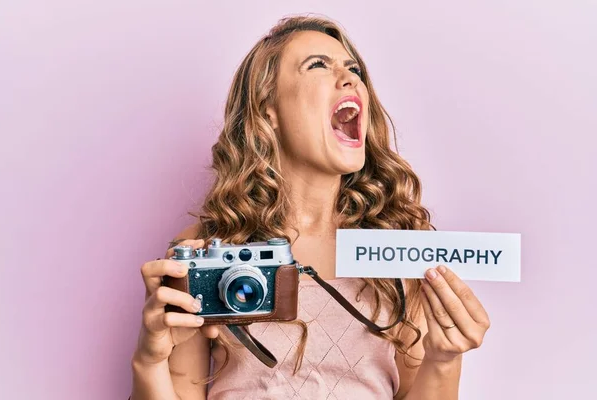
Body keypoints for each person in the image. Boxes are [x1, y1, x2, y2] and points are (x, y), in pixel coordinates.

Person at [130, 15, 490, 400]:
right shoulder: (207, 248)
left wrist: (445, 359)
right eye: (318, 65)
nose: (350, 77)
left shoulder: (398, 246)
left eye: (353, 69)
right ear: (268, 108)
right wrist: (148, 363)